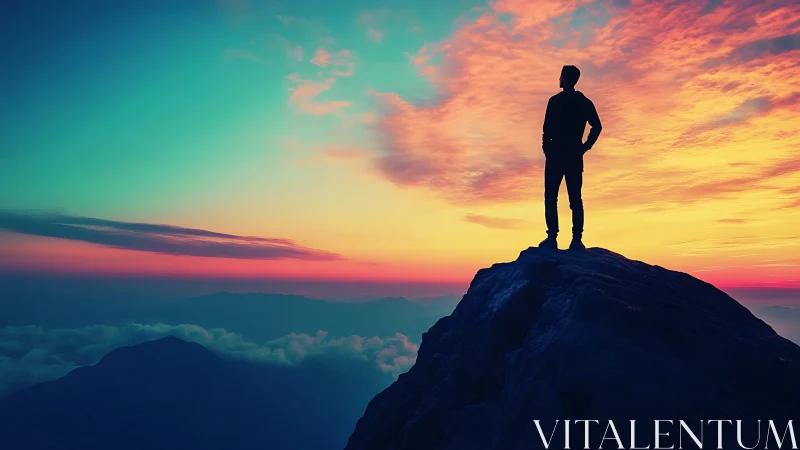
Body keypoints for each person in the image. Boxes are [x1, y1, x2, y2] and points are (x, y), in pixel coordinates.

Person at [538, 65, 602, 251]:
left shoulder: (555, 101)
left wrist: (548, 149)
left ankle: (554, 238)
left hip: (559, 155)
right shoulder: (583, 101)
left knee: (553, 198)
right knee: (574, 199)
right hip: (571, 155)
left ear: (565, 78)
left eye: (560, 76)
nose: (559, 79)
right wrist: (584, 147)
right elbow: (597, 127)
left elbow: (546, 129)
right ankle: (575, 239)